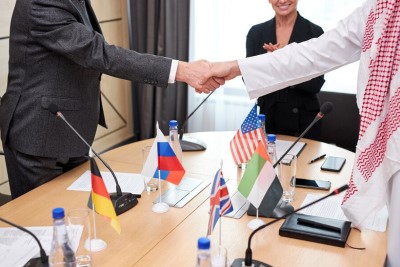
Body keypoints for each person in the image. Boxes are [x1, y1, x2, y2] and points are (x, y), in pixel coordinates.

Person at [207, 0, 400, 266]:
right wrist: (235, 67)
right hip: (389, 149)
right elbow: (313, 55)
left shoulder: (312, 28)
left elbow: (313, 77)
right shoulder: (382, 9)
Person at [0, 0, 222, 199]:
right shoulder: (41, 3)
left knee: (78, 216)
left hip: (70, 130)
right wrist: (182, 70)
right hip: (37, 136)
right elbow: (100, 53)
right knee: (42, 223)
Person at [246, 0, 325, 139]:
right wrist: (270, 63)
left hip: (304, 122)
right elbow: (249, 80)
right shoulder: (256, 33)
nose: (282, 1)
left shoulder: (314, 32)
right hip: (269, 118)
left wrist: (283, 63)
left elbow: (315, 84)